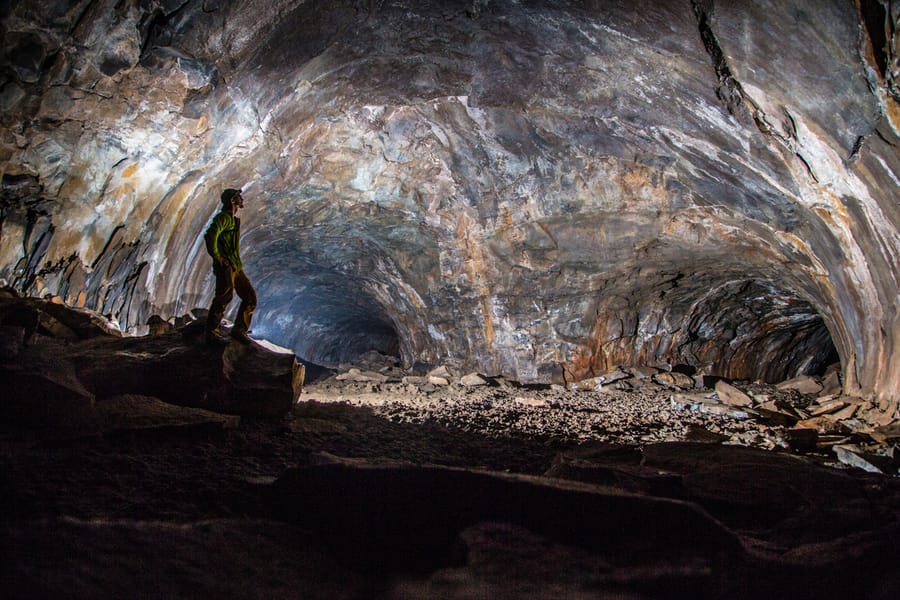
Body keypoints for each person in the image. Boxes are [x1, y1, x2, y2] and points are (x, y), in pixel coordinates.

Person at [203, 187, 257, 344]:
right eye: (239, 197)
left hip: (235, 266)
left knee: (250, 297)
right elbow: (210, 235)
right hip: (226, 266)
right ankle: (211, 331)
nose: (242, 199)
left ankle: (240, 330)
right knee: (224, 296)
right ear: (232, 200)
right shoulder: (224, 218)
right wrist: (218, 257)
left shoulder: (232, 219)